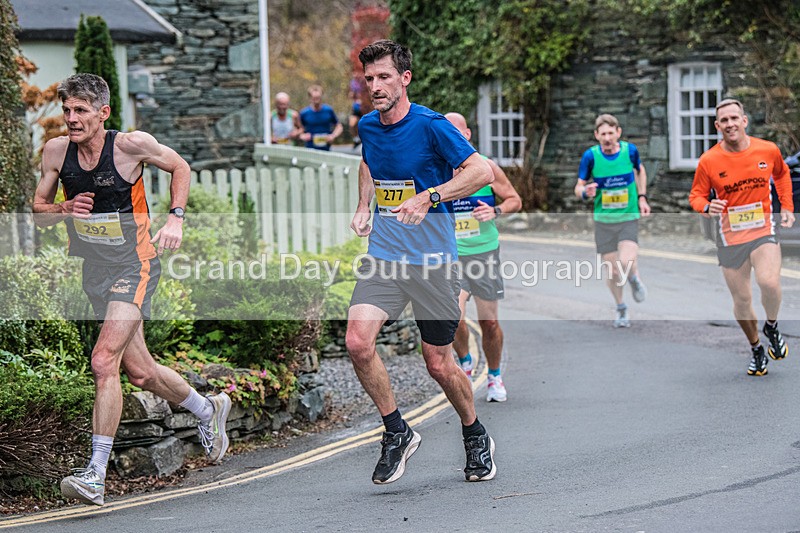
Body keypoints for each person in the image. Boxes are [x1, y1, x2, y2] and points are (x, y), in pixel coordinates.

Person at [32, 74, 231, 506]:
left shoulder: (129, 146)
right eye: (66, 109)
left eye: (81, 110)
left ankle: (95, 475)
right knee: (140, 372)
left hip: (136, 265)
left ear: (103, 112)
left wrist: (175, 216)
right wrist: (64, 208)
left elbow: (180, 165)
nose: (71, 118)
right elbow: (38, 213)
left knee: (104, 360)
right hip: (95, 271)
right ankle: (208, 408)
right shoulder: (55, 152)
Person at [346, 40, 497, 484]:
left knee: (438, 363)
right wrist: (362, 205)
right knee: (357, 342)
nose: (375, 86)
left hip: (433, 264)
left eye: (384, 77)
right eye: (370, 79)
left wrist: (429, 196)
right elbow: (369, 163)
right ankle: (396, 431)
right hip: (385, 257)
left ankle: (474, 433)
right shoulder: (368, 127)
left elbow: (480, 171)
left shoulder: (432, 126)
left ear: (404, 78)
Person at [689, 98, 795, 376]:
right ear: (717, 126)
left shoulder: (767, 150)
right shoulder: (709, 160)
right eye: (724, 120)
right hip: (730, 236)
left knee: (769, 282)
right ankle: (756, 348)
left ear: (744, 121)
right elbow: (696, 196)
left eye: (734, 118)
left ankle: (771, 325)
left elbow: (782, 175)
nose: (730, 124)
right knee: (743, 300)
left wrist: (787, 207)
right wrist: (705, 206)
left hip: (763, 229)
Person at [445, 112, 522, 403]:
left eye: (456, 132)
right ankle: (465, 362)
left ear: (467, 135)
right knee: (453, 316)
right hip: (452, 258)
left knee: (489, 323)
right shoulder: (435, 170)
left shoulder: (486, 167)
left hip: (484, 254)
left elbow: (515, 199)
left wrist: (496, 211)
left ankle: (494, 374)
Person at [574, 114, 650, 328]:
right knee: (614, 271)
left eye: (611, 133)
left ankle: (634, 280)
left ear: (618, 132)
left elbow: (640, 171)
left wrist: (642, 197)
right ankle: (621, 307)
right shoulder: (590, 157)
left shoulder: (630, 151)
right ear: (597, 135)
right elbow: (578, 188)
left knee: (626, 262)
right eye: (603, 134)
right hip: (603, 221)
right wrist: (585, 192)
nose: (607, 138)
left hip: (628, 217)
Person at [299, 84, 343, 151]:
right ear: (310, 98)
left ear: (321, 97)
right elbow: (298, 129)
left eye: (318, 98)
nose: (316, 100)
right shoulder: (304, 113)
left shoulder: (328, 110)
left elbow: (339, 126)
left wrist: (333, 136)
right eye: (314, 98)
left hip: (326, 148)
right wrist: (302, 136)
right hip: (310, 148)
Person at [348, 77, 364, 147]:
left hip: (364, 107)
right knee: (352, 124)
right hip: (356, 107)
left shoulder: (366, 80)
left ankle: (363, 138)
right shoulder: (353, 82)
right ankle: (356, 139)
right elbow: (350, 95)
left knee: (364, 123)